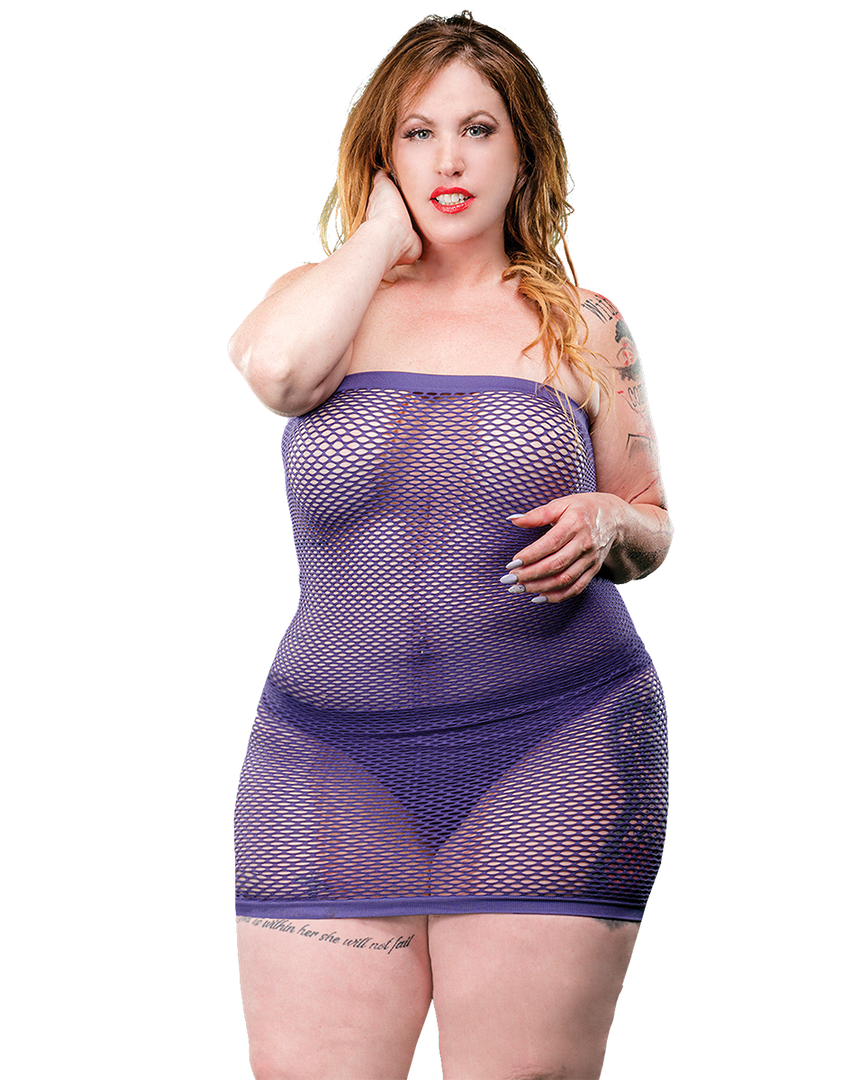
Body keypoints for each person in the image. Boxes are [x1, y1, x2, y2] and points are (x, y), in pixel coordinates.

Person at [225, 11, 674, 1079]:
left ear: (525, 151)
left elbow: (653, 520)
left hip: (556, 742)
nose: (450, 161)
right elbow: (277, 376)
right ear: (382, 154)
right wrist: (380, 239)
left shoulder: (584, 323)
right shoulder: (315, 305)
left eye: (478, 130)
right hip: (325, 757)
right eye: (418, 133)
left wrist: (610, 522)